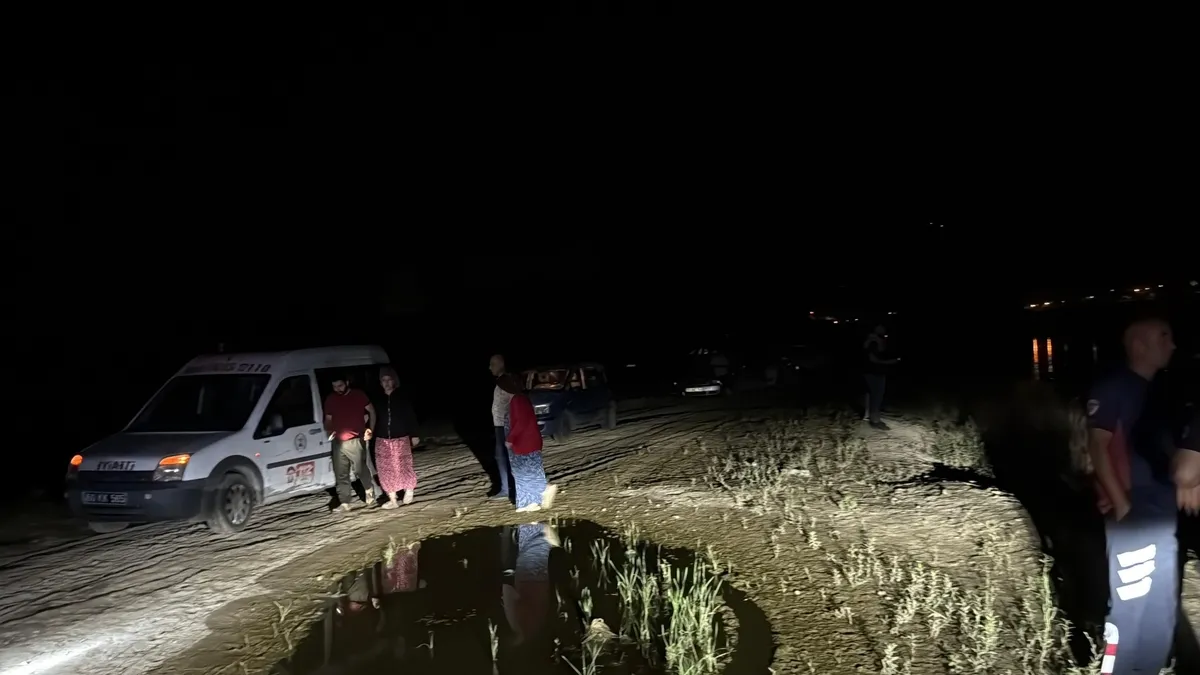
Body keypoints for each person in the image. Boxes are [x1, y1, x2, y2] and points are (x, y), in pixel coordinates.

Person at [1086, 317, 1177, 675]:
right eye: (1164, 336)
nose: (1172, 344)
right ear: (1139, 345)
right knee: (1130, 606)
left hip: (1162, 513)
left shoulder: (1158, 390)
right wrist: (1122, 505)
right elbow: (1097, 446)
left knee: (1161, 608)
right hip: (1135, 512)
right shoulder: (1114, 387)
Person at [500, 375, 558, 513]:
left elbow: (521, 422)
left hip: (524, 442)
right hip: (530, 441)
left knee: (523, 472)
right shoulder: (522, 398)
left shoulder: (516, 400)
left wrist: (510, 439)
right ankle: (530, 501)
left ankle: (541, 490)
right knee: (527, 471)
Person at [324, 374, 377, 512]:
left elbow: (371, 411)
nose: (338, 389)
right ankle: (345, 502)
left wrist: (370, 429)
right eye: (334, 386)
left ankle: (369, 491)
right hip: (338, 442)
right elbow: (328, 418)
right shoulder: (331, 399)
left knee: (360, 470)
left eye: (340, 385)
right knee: (341, 473)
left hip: (355, 440)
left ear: (347, 382)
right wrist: (329, 430)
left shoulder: (358, 395)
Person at [369, 367, 420, 509]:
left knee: (403, 465)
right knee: (385, 468)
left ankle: (409, 488)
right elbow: (372, 416)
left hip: (401, 437)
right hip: (382, 439)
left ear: (394, 381)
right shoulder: (377, 399)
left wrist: (414, 434)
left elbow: (410, 417)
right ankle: (392, 499)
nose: (386, 383)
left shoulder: (402, 397)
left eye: (389, 380)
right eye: (383, 380)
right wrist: (369, 430)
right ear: (380, 382)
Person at [863, 324, 899, 429]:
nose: (883, 330)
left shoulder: (876, 340)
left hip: (872, 371)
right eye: (880, 328)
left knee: (870, 394)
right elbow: (874, 359)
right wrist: (891, 362)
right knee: (876, 395)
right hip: (873, 372)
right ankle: (875, 420)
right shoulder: (873, 341)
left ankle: (868, 416)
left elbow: (880, 351)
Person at [489, 355, 515, 500]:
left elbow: (514, 403)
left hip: (506, 425)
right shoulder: (501, 382)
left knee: (510, 458)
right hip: (499, 425)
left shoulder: (506, 381)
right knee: (500, 457)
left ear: (500, 365)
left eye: (492, 364)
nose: (490, 367)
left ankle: (513, 488)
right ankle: (505, 489)